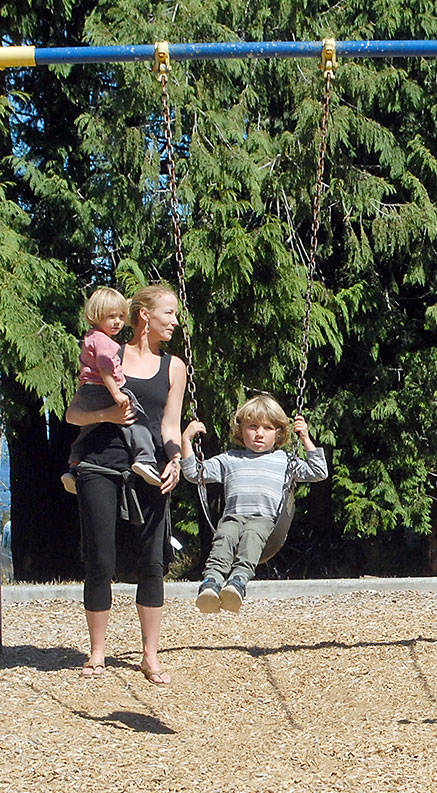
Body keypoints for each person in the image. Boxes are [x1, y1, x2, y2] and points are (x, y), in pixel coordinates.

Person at [64, 284, 186, 685]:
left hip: (150, 466)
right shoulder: (108, 352)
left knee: (153, 561)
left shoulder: (174, 367)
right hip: (100, 463)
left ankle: (150, 655)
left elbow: (169, 426)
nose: (175, 322)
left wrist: (177, 459)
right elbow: (73, 415)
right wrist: (108, 417)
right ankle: (97, 652)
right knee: (100, 559)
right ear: (145, 315)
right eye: (169, 313)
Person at [180, 394, 328, 614]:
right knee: (224, 537)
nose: (259, 433)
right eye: (252, 427)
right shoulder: (230, 459)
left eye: (267, 428)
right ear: (241, 431)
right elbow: (194, 473)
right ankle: (211, 582)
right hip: (234, 515)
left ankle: (237, 582)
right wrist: (186, 441)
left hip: (266, 521)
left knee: (252, 535)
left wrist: (305, 438)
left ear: (278, 432)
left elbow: (319, 472)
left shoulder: (284, 460)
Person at [61, 287, 161, 494]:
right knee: (136, 418)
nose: (118, 322)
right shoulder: (105, 342)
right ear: (96, 316)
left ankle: (74, 465)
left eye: (121, 317)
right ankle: (145, 458)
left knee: (87, 430)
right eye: (111, 316)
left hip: (88, 392)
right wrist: (116, 393)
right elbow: (105, 369)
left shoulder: (91, 337)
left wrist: (132, 303)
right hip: (103, 389)